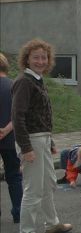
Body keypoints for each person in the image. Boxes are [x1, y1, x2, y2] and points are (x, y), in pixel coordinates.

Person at [11, 39, 72, 233]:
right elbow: (17, 116)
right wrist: (26, 148)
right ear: (27, 59)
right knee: (33, 190)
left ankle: (52, 224)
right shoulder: (23, 81)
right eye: (35, 57)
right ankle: (27, 230)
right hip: (32, 141)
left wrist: (50, 140)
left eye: (43, 57)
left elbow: (39, 114)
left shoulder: (37, 79)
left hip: (42, 139)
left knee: (48, 184)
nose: (40, 61)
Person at [0, 53, 22, 224]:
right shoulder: (14, 85)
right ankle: (18, 212)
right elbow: (20, 114)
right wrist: (6, 130)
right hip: (10, 140)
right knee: (14, 176)